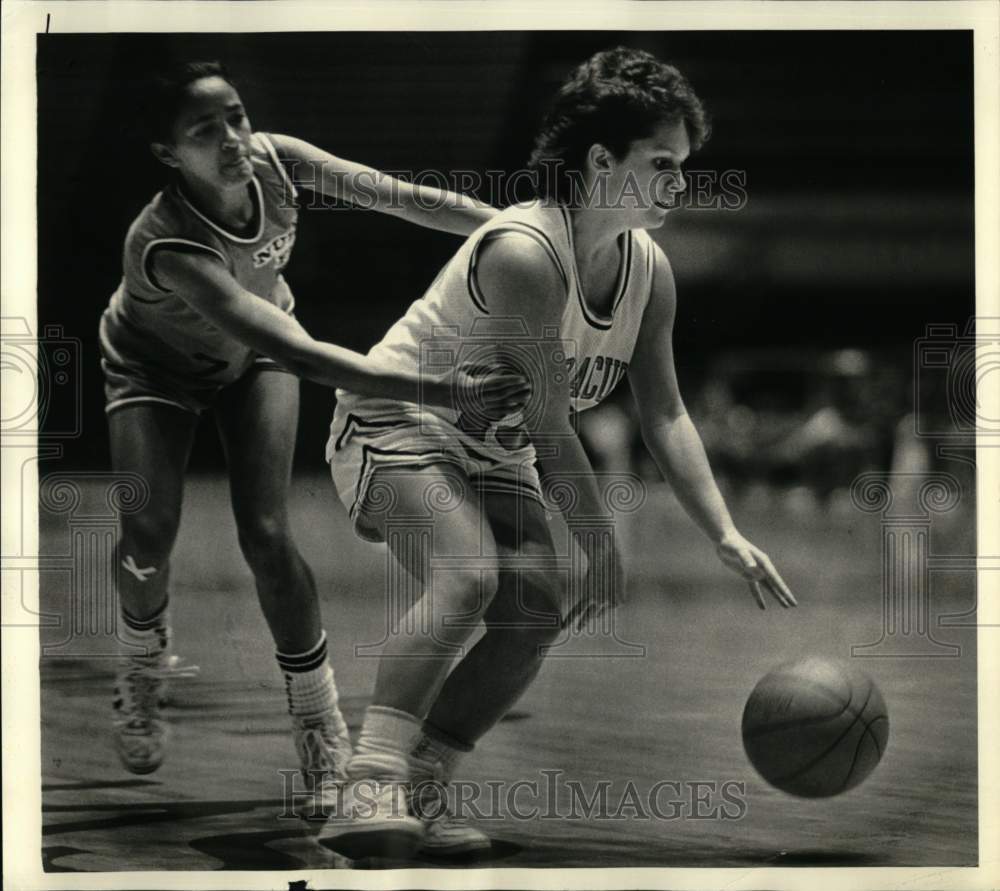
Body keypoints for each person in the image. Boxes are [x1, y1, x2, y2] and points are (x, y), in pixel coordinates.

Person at [322, 47, 797, 859]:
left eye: (684, 165)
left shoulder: (649, 273)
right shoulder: (524, 252)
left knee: (536, 608)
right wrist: (602, 542)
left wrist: (723, 531)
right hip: (400, 421)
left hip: (490, 451)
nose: (679, 183)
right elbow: (549, 424)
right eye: (662, 163)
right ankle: (365, 781)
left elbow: (669, 411)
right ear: (600, 160)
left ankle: (424, 782)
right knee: (470, 575)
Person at [99, 61, 527, 793]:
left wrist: (520, 230)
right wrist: (447, 390)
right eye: (206, 131)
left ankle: (318, 719)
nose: (233, 137)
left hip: (255, 356)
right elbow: (303, 352)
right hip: (154, 370)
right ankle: (142, 660)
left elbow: (405, 198)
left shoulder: (277, 160)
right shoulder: (166, 242)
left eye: (236, 115)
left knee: (267, 533)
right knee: (148, 533)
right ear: (170, 155)